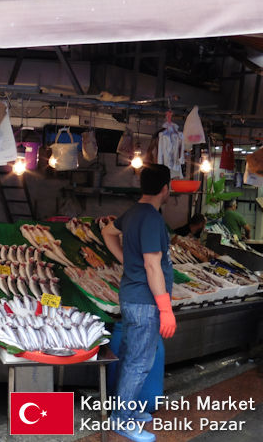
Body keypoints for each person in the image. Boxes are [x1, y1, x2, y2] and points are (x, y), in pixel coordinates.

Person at [101, 164, 176, 442]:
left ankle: (126, 410)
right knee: (139, 362)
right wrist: (165, 308)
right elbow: (152, 265)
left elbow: (108, 232)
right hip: (145, 301)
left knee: (131, 355)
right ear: (165, 188)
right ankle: (121, 420)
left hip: (132, 297)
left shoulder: (132, 212)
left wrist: (125, 260)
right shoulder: (153, 219)